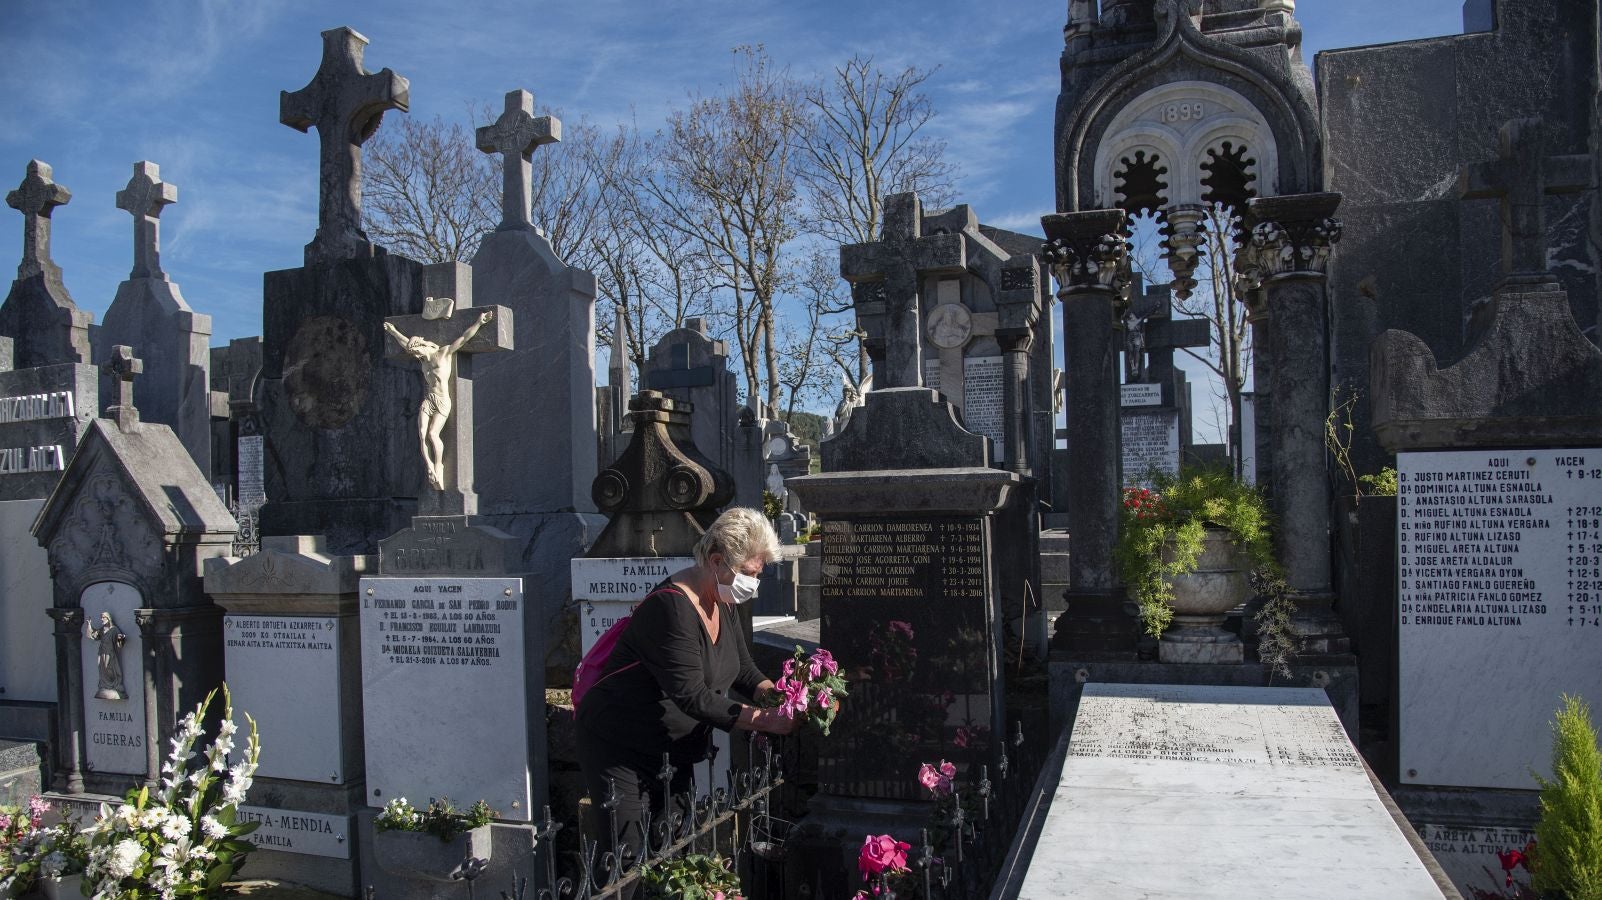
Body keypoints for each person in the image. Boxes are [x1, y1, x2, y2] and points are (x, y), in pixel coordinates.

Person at [575, 507, 794, 884]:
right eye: (748, 574)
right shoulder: (671, 607)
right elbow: (691, 695)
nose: (752, 585)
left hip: (672, 748)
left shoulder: (722, 601)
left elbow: (743, 669)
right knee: (627, 864)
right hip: (621, 744)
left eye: (758, 576)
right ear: (716, 561)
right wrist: (766, 721)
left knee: (675, 850)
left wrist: (780, 696)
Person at [382, 308, 493, 490]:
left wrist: (479, 323)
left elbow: (464, 338)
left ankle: (438, 464)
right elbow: (405, 344)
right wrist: (393, 331)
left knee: (433, 434)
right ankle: (430, 467)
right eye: (415, 354)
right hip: (429, 399)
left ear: (423, 346)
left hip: (442, 400)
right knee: (422, 433)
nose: (417, 356)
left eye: (417, 352)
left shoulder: (444, 353)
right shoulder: (422, 360)